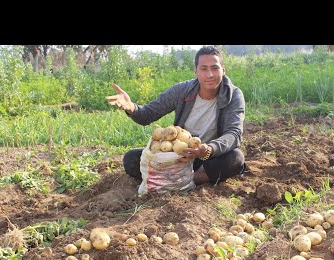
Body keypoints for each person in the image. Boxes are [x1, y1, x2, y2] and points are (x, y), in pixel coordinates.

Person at [105, 45, 246, 186]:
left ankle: (188, 180)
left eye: (215, 68)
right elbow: (147, 114)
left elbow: (233, 134)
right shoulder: (182, 91)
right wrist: (132, 108)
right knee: (131, 159)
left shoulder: (233, 95)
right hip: (178, 156)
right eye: (204, 68)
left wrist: (209, 149)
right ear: (196, 71)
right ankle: (180, 178)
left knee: (235, 158)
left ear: (223, 70)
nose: (210, 74)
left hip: (208, 158)